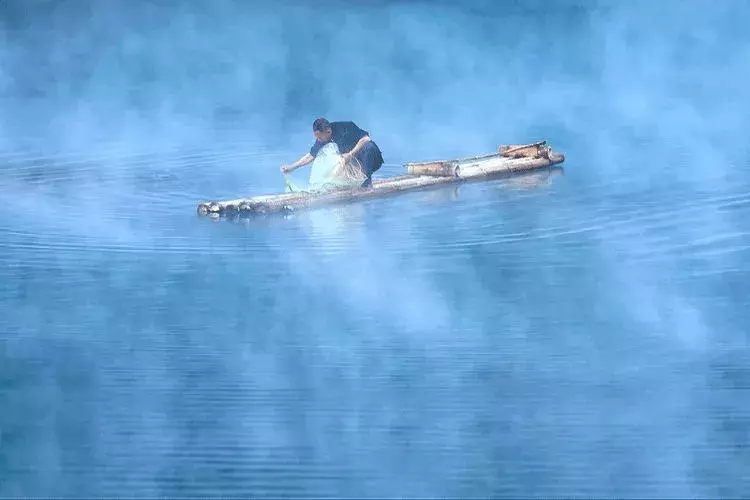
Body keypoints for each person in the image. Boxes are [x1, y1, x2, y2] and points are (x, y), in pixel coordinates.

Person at [281, 117, 384, 188]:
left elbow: (366, 139)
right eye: (317, 137)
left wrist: (351, 154)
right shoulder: (323, 138)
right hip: (354, 162)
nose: (318, 140)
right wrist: (291, 167)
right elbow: (311, 156)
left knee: (368, 146)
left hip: (372, 160)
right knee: (339, 163)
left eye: (319, 137)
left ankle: (367, 184)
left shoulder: (346, 127)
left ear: (328, 131)